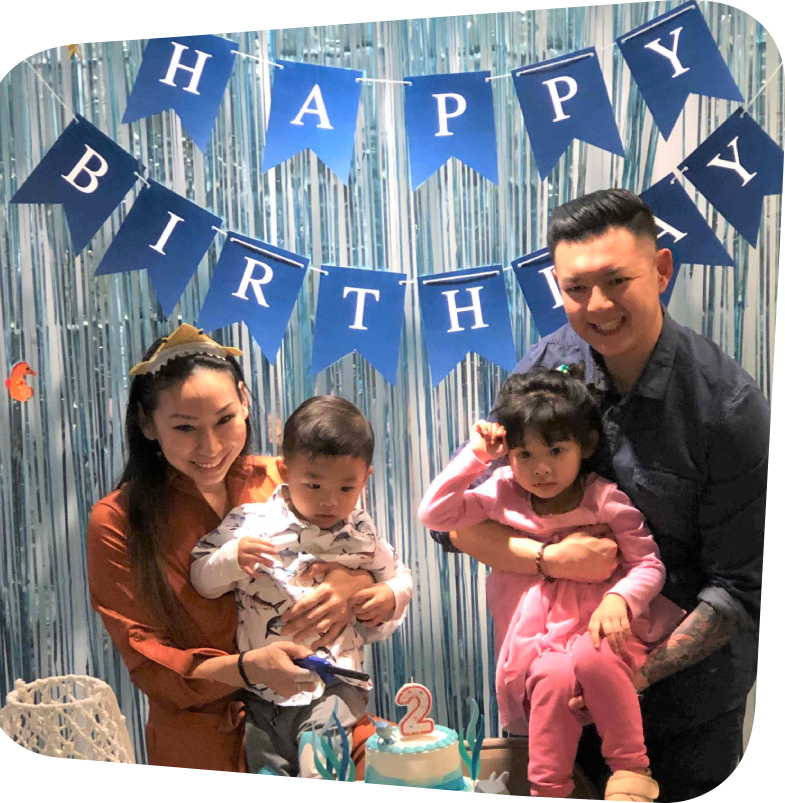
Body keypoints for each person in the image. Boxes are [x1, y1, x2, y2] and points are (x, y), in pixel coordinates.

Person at [430, 190, 767, 802]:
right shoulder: (547, 368)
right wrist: (546, 561)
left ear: (661, 270)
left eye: (618, 280)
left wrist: (623, 674)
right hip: (555, 689)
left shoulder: (728, 408)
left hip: (685, 710)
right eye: (576, 287)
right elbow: (457, 525)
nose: (597, 305)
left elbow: (740, 589)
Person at [87, 324, 412, 772]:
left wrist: (351, 585)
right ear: (147, 423)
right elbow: (149, 660)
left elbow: (376, 562)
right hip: (205, 742)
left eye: (225, 419)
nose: (212, 447)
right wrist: (246, 668)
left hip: (324, 718)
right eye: (184, 427)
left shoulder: (290, 480)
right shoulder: (118, 521)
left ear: (244, 399)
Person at [420, 366, 685, 800]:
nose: (541, 469)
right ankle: (547, 788)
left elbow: (649, 566)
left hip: (601, 629)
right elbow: (435, 516)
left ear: (585, 446)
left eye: (556, 451)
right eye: (525, 455)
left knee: (592, 655)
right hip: (537, 641)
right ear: (509, 456)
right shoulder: (502, 492)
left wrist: (620, 599)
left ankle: (631, 769)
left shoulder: (604, 500)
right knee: (550, 677)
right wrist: (476, 458)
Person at [190, 395, 412, 778]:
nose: (330, 500)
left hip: (336, 681)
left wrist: (389, 595)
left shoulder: (361, 532)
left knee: (318, 759)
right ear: (284, 469)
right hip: (264, 689)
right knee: (267, 765)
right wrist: (231, 559)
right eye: (313, 484)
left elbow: (400, 577)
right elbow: (200, 580)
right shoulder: (249, 522)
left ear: (365, 478)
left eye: (347, 488)